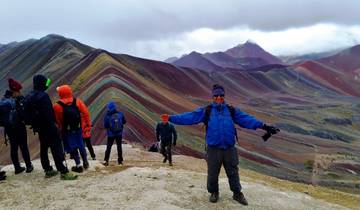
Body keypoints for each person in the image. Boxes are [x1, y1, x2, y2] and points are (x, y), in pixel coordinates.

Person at [161, 84, 279, 205]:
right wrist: (171, 118)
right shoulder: (207, 111)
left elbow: (247, 119)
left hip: (229, 148)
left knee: (233, 171)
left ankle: (237, 193)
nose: (218, 98)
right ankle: (214, 192)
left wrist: (263, 125)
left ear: (224, 96)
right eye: (216, 95)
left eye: (221, 95)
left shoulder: (231, 110)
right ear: (212, 96)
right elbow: (190, 117)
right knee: (213, 172)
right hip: (213, 148)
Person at [24, 74, 77, 180]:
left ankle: (48, 170)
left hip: (39, 128)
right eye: (45, 83)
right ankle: (63, 171)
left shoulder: (29, 96)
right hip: (49, 127)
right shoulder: (43, 96)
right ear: (41, 83)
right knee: (56, 148)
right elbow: (49, 114)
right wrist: (55, 125)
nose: (47, 85)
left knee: (43, 148)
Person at [53, 85, 91, 173]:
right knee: (81, 144)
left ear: (60, 93)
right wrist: (87, 124)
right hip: (78, 128)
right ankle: (85, 161)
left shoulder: (57, 105)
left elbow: (58, 120)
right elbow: (85, 113)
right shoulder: (77, 102)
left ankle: (78, 165)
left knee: (72, 147)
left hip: (67, 130)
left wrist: (60, 128)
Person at [4, 79, 33, 174]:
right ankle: (29, 166)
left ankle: (17, 168)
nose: (20, 93)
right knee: (23, 146)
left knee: (14, 147)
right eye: (18, 91)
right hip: (19, 127)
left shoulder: (4, 100)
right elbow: (22, 114)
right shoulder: (18, 100)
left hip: (9, 128)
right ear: (14, 91)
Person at [103, 102, 126, 166]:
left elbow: (105, 125)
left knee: (109, 147)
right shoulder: (120, 114)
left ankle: (106, 160)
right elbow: (124, 121)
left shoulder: (107, 116)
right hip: (119, 133)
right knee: (119, 147)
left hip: (111, 134)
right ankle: (120, 161)